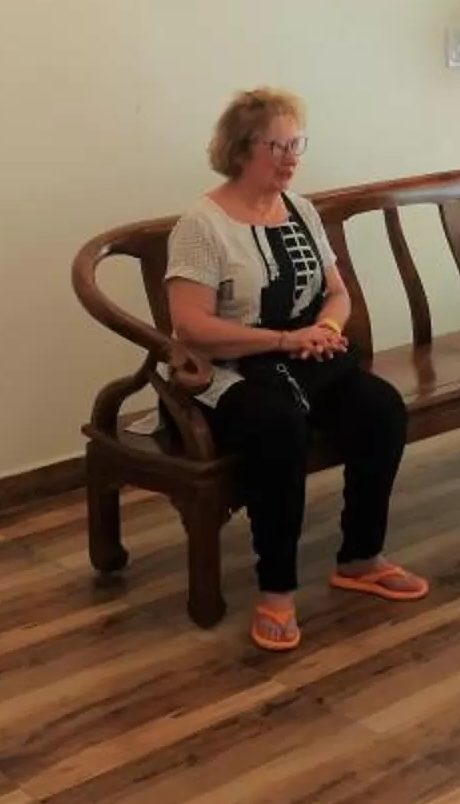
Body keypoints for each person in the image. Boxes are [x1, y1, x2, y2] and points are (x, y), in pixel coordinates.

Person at [164, 88, 427, 654]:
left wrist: (326, 332)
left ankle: (360, 557)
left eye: (296, 144)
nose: (290, 158)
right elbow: (191, 327)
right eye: (275, 146)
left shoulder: (301, 210)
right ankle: (276, 589)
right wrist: (284, 337)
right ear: (240, 150)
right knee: (280, 429)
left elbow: (337, 294)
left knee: (381, 409)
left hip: (306, 362)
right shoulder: (202, 226)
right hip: (230, 373)